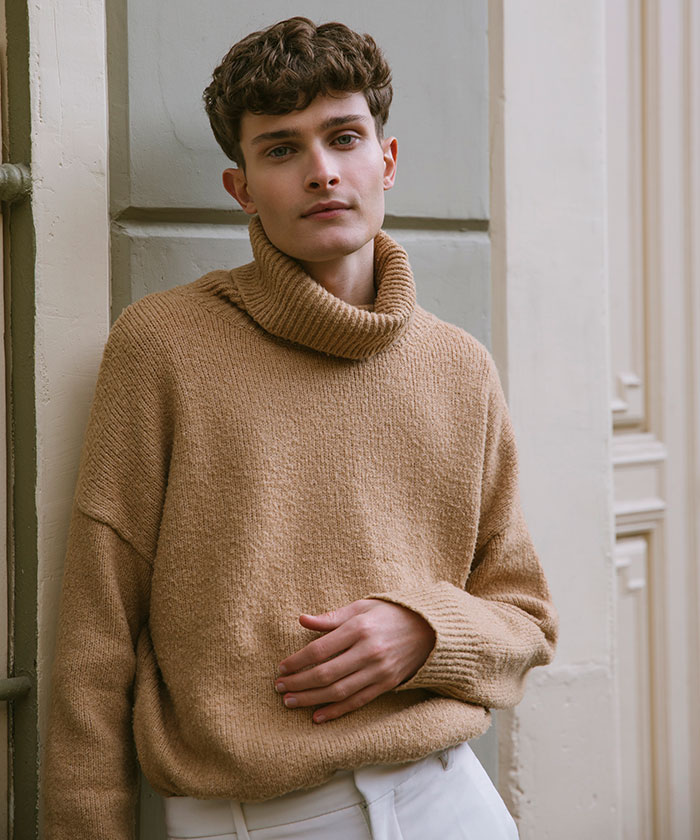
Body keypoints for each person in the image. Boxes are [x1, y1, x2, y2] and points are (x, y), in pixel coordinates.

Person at [44, 16, 558, 840]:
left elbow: (526, 618)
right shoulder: (163, 347)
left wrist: (426, 630)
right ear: (241, 187)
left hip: (446, 800)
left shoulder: (460, 367)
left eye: (344, 137)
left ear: (385, 161)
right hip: (253, 817)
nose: (322, 172)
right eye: (281, 149)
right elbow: (94, 644)